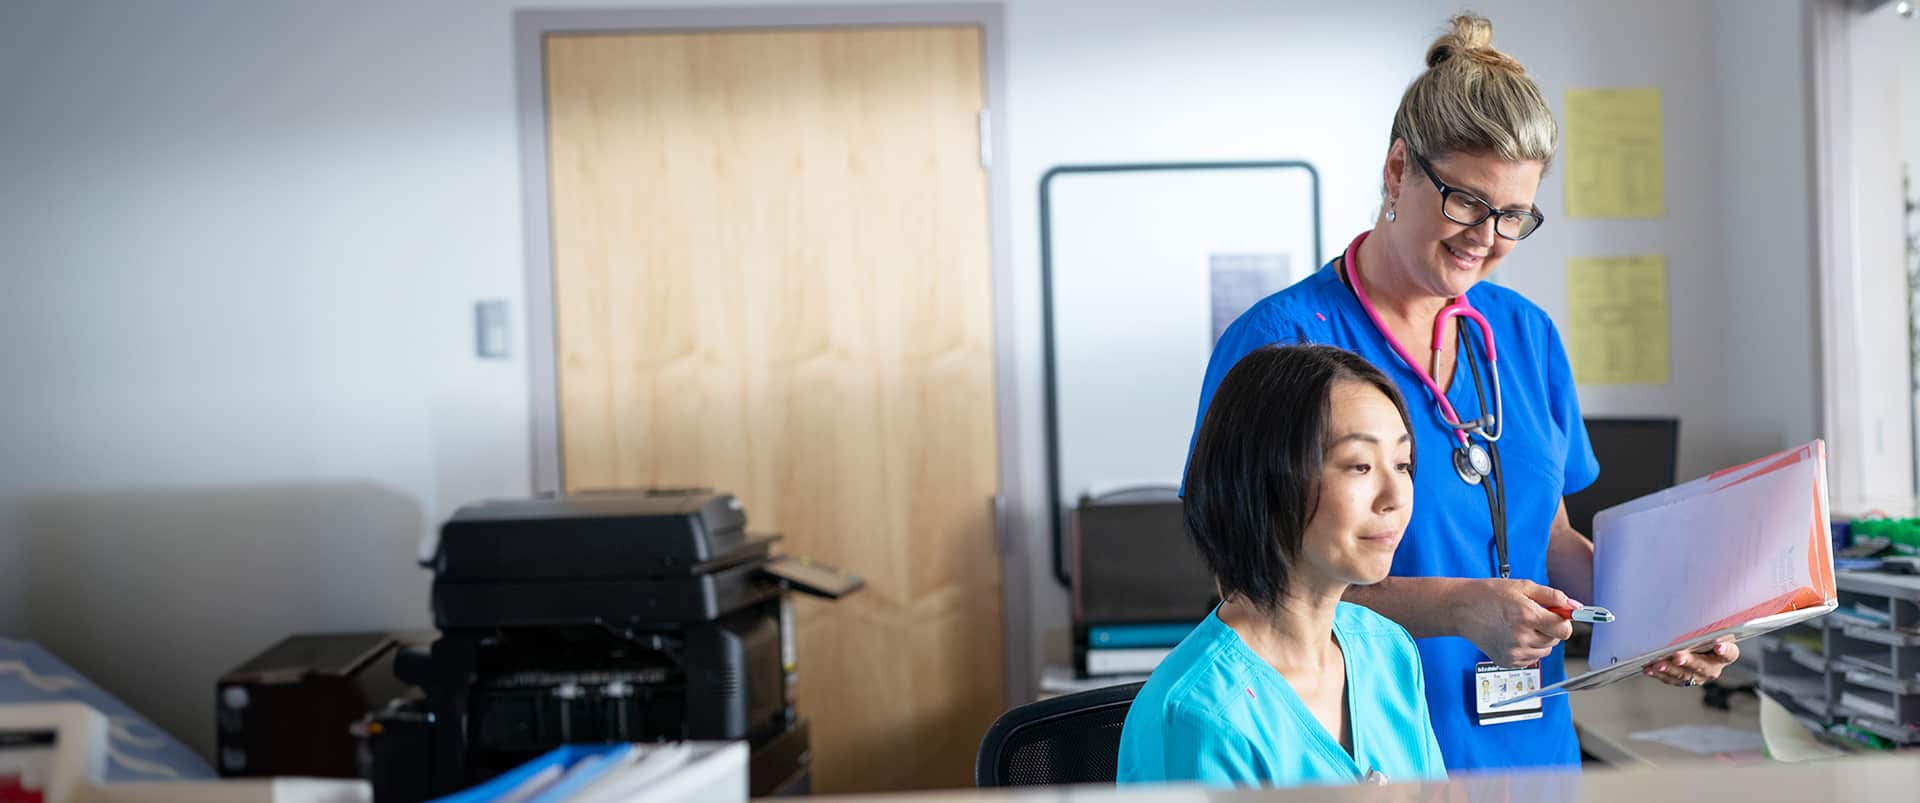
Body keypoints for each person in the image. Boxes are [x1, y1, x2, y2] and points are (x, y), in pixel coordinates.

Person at [1185, 13, 1738, 773]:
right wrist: (1453, 608)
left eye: (1514, 215)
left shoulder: (1524, 335)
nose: (1487, 235)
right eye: (1468, 202)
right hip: (1366, 756)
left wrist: (1666, 619)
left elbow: (1549, 544)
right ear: (1397, 171)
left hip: (1530, 749)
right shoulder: (1282, 344)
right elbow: (1246, 589)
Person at [1119, 343, 1446, 787]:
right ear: (1266, 482)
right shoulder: (1202, 714)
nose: (1395, 497)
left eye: (1403, 464)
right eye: (1360, 466)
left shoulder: (1387, 650)